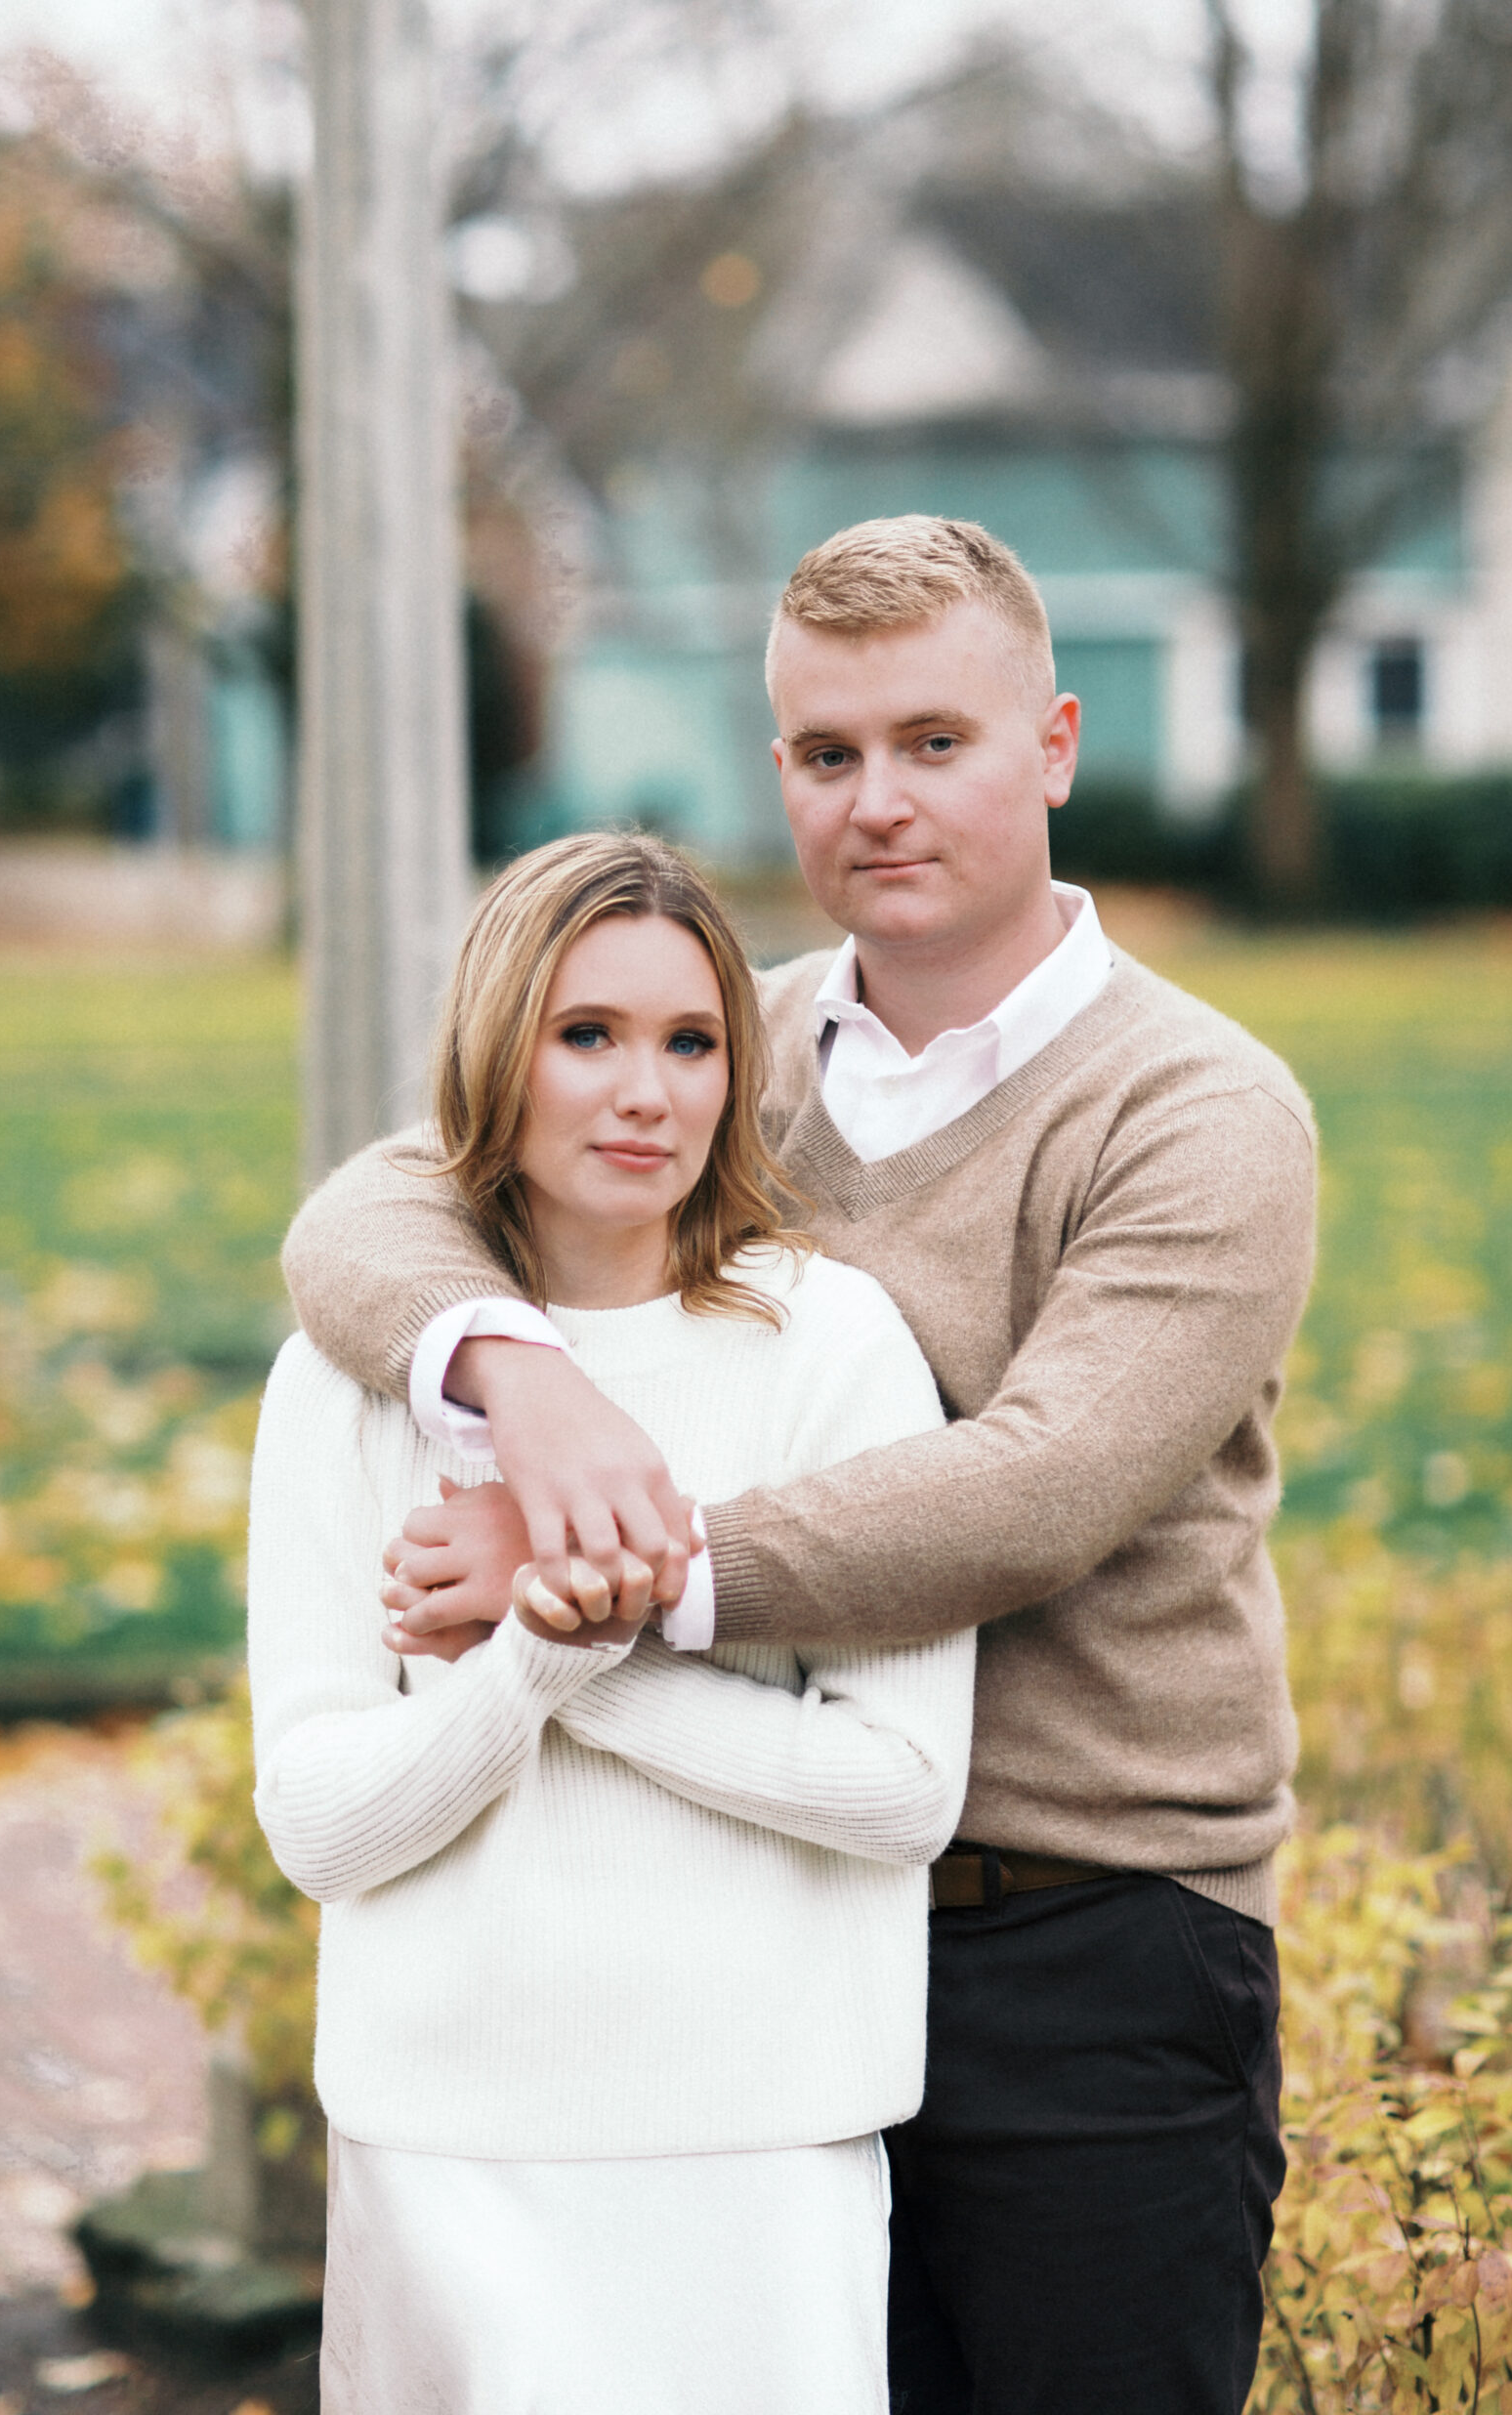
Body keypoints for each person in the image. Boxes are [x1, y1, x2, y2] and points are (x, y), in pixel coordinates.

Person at [281, 515, 1319, 2415]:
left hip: (1092, 1934)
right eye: (829, 752)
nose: (878, 800)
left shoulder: (1197, 1109)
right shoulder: (716, 1045)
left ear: (1055, 745)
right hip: (761, 1922)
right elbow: (365, 1214)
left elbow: (1033, 1489)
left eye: (934, 740)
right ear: (780, 769)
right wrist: (519, 1374)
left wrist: (593, 1576)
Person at [248, 830, 975, 2415]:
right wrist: (537, 1662)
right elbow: (318, 1825)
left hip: (761, 2143)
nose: (646, 1092)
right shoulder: (350, 1380)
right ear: (495, 1050)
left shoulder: (830, 1344)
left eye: (690, 1042)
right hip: (444, 2145)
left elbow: (903, 1788)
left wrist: (577, 1653)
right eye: (587, 1035)